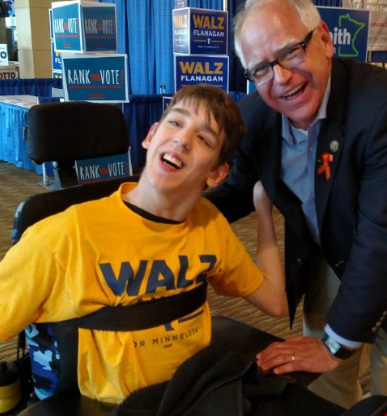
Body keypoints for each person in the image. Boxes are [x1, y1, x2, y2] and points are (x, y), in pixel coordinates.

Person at [0, 84, 287, 405]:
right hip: (104, 408)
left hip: (185, 396)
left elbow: (275, 303)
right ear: (151, 136)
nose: (182, 139)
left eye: (203, 138)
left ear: (217, 174)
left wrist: (263, 210)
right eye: (175, 122)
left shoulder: (210, 224)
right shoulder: (60, 237)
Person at [204, 0, 387, 409]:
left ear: (323, 37)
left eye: (290, 51)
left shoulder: (379, 109)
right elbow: (234, 192)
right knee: (324, 389)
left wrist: (333, 346)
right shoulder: (257, 116)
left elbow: (380, 241)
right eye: (261, 69)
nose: (281, 78)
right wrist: (164, 214)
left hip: (380, 252)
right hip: (331, 255)